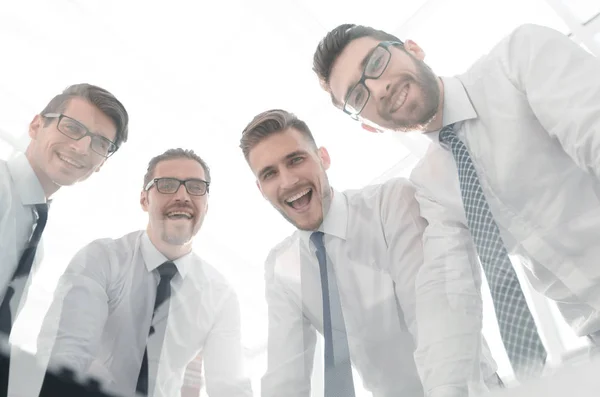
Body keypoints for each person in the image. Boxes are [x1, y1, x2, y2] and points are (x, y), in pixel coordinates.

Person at [312, 22, 600, 381]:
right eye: (358, 96)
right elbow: (447, 293)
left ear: (413, 49)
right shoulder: (431, 184)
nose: (379, 87)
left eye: (376, 63)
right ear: (368, 126)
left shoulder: (517, 62)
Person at [240, 109, 501, 397]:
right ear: (261, 189)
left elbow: (434, 318)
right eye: (269, 174)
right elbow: (286, 377)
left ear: (323, 158)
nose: (288, 181)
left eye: (296, 160)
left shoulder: (389, 205)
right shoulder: (281, 267)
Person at [18, 149, 253, 397]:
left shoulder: (220, 295)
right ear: (144, 200)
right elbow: (66, 355)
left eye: (196, 187)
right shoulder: (102, 259)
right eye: (167, 185)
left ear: (206, 204)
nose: (182, 196)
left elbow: (229, 386)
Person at [0, 83, 129, 339]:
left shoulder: (36, 243)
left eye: (100, 143)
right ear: (36, 126)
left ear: (102, 161)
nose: (81, 148)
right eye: (72, 128)